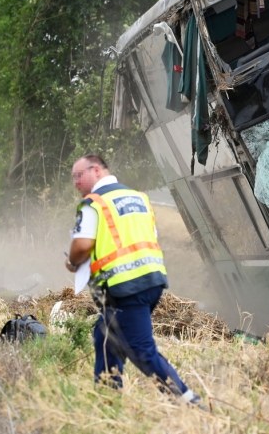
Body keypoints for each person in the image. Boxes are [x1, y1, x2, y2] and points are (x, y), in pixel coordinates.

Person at [66, 154, 200, 404]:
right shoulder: (139, 198)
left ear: (96, 171)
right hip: (151, 280)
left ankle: (189, 401)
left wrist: (72, 262)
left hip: (125, 287)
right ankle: (108, 398)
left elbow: (82, 245)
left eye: (78, 175)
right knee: (105, 336)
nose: (75, 182)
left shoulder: (94, 203)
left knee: (141, 349)